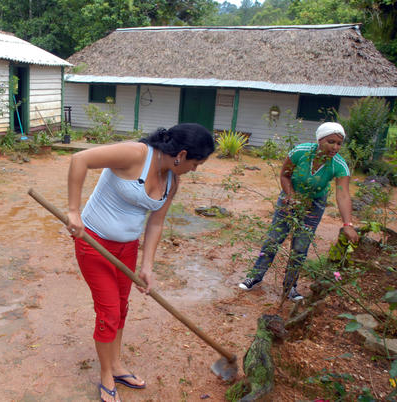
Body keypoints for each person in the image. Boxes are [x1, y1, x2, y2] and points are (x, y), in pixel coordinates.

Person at [66, 123, 215, 402]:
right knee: (108, 312)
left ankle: (117, 365)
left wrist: (147, 266)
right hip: (94, 244)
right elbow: (80, 159)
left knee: (122, 308)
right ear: (182, 154)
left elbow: (156, 224)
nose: (195, 170)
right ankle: (106, 376)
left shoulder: (172, 181)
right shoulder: (136, 154)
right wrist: (74, 211)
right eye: (197, 163)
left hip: (128, 249)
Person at [238, 122, 359, 301]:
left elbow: (343, 195)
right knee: (274, 238)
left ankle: (290, 287)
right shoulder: (300, 152)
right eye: (330, 142)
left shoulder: (339, 165)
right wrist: (290, 195)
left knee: (300, 247)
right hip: (290, 197)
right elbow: (284, 175)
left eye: (339, 143)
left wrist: (348, 224)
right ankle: (255, 276)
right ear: (320, 140)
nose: (335, 147)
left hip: (314, 203)